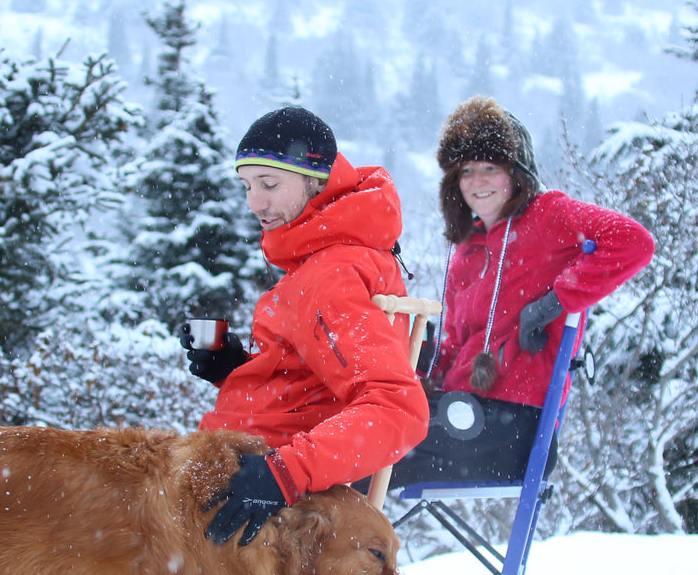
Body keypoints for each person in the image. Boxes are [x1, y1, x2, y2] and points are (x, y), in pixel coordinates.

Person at [183, 105, 429, 545]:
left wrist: (283, 475)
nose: (253, 203)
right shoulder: (325, 258)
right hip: (240, 465)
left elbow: (397, 409)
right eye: (247, 186)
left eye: (269, 184)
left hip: (256, 498)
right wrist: (236, 368)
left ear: (316, 181)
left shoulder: (331, 274)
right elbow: (312, 385)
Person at [391, 95, 655, 487]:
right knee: (357, 438)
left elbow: (634, 241)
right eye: (466, 171)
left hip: (513, 426)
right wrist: (413, 359)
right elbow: (458, 343)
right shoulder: (467, 248)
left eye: (490, 168)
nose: (477, 182)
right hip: (460, 412)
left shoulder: (548, 215)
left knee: (366, 456)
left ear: (516, 173)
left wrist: (555, 303)